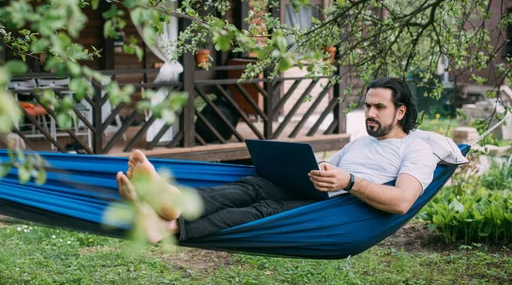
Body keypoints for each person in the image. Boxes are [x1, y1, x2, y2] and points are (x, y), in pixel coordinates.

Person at [116, 77, 436, 243]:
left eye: (379, 107)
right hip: (319, 191)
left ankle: (170, 224)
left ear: (401, 111)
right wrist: (317, 168)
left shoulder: (416, 150)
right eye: (367, 106)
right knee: (253, 186)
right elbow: (328, 168)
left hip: (336, 212)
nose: (369, 113)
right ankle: (172, 201)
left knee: (264, 211)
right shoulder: (361, 143)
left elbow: (402, 201)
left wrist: (349, 181)